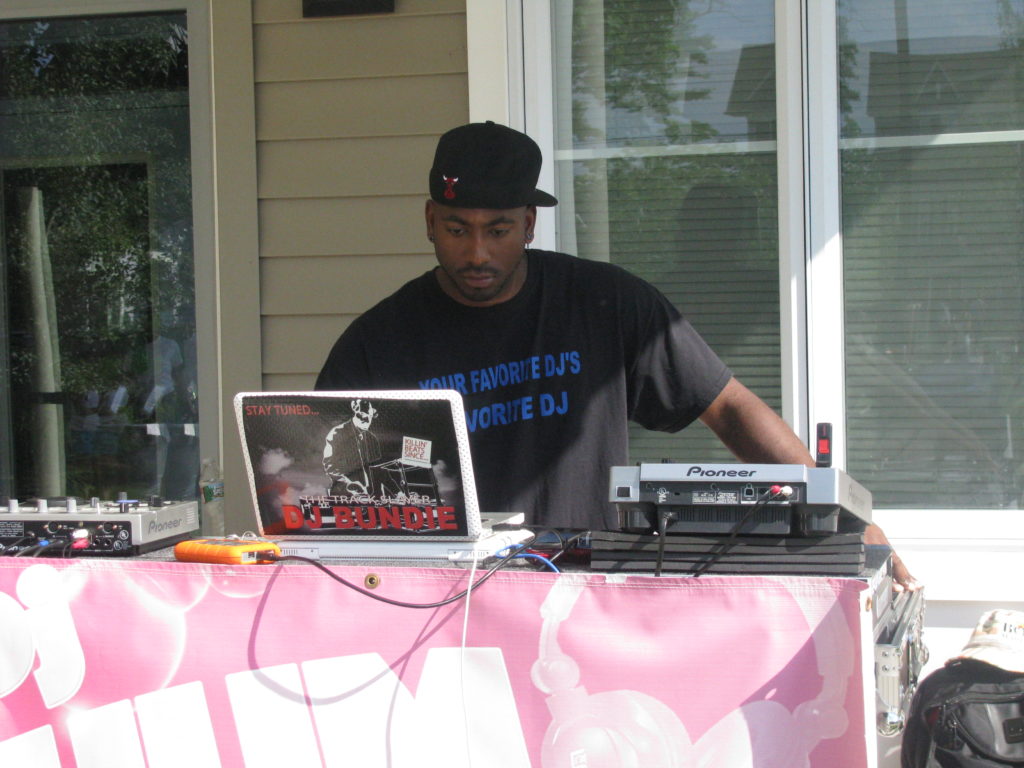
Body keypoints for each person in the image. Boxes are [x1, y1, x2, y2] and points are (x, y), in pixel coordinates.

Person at [316, 120, 917, 589]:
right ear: (429, 220)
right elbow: (325, 484)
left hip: (589, 589)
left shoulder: (605, 302)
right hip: (437, 595)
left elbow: (728, 407)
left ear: (529, 224)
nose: (476, 253)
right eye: (456, 229)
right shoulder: (378, 341)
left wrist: (850, 523)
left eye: (497, 230)